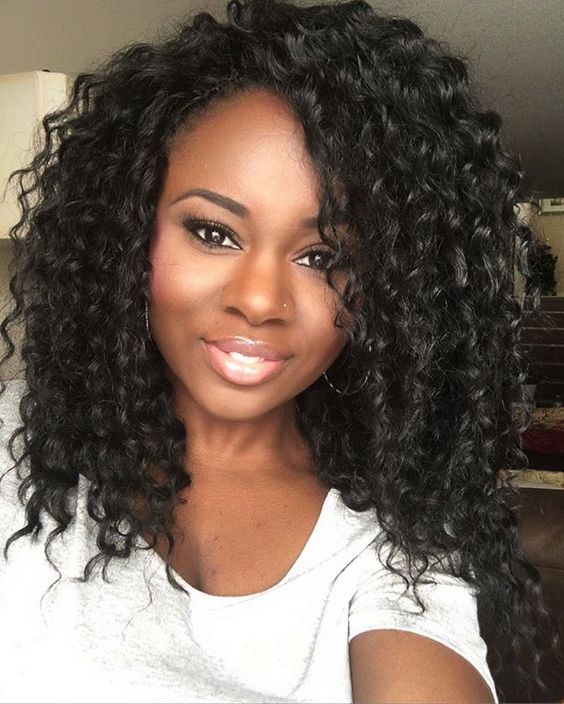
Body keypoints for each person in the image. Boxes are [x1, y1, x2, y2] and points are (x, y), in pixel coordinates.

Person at [0, 0, 560, 701]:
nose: (261, 300)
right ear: (129, 230)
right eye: (213, 233)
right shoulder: (16, 444)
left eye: (323, 256)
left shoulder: (398, 542)